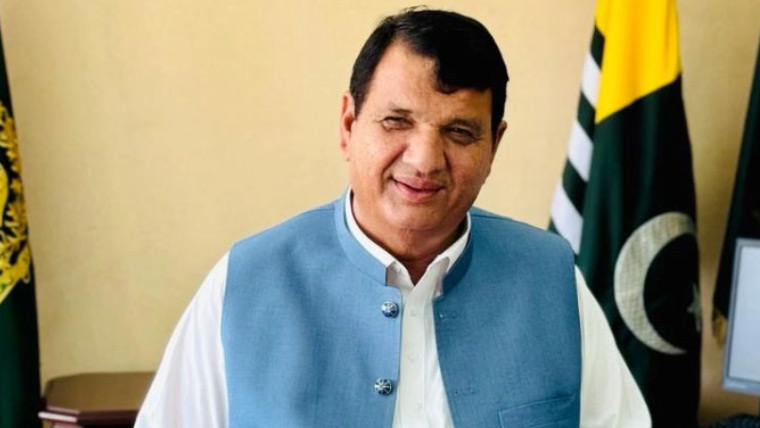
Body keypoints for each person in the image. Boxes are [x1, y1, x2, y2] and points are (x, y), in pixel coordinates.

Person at [135, 8, 650, 428]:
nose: (424, 161)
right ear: (348, 125)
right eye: (396, 121)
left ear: (494, 146)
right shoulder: (244, 282)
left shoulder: (551, 280)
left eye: (460, 132)